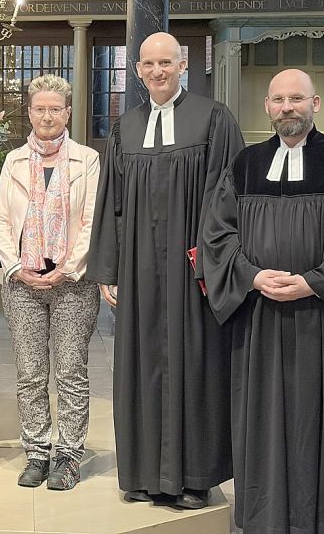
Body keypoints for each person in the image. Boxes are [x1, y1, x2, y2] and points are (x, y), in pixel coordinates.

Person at [202, 69, 324, 534]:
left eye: (297, 99)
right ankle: (265, 516)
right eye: (279, 99)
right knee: (263, 420)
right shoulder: (245, 165)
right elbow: (217, 236)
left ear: (315, 104)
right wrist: (250, 275)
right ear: (267, 106)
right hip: (261, 318)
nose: (288, 107)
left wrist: (314, 282)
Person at [88, 32, 243, 508]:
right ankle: (141, 473)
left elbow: (227, 193)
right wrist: (109, 268)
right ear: (138, 70)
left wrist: (210, 259)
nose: (158, 71)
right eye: (149, 64)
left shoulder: (213, 118)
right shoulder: (126, 127)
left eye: (166, 63)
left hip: (192, 268)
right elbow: (112, 201)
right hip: (138, 269)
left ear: (182, 65)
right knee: (140, 364)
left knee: (193, 364)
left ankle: (194, 478)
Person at [0, 74, 101, 491]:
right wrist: (15, 266)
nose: (47, 116)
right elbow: (1, 219)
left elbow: (92, 219)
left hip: (73, 282)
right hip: (23, 283)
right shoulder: (15, 161)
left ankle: (68, 455)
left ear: (67, 113)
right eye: (40, 109)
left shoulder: (87, 159)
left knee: (70, 371)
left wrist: (68, 267)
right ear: (30, 112)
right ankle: (36, 453)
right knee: (30, 373)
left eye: (55, 109)